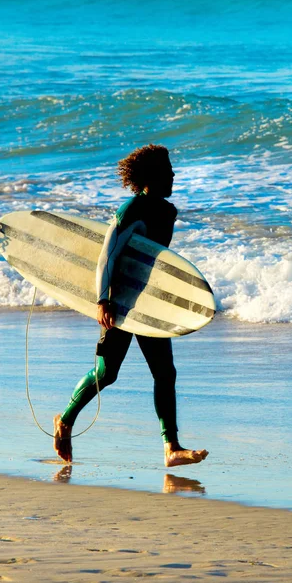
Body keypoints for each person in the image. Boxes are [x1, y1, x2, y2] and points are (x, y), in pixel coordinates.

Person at [53, 144, 209, 467]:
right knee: (106, 373)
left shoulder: (167, 213)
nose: (173, 175)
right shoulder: (130, 211)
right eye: (168, 171)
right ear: (152, 176)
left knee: (165, 373)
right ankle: (65, 419)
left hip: (146, 305)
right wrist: (103, 300)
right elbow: (106, 256)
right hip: (118, 301)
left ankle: (171, 448)